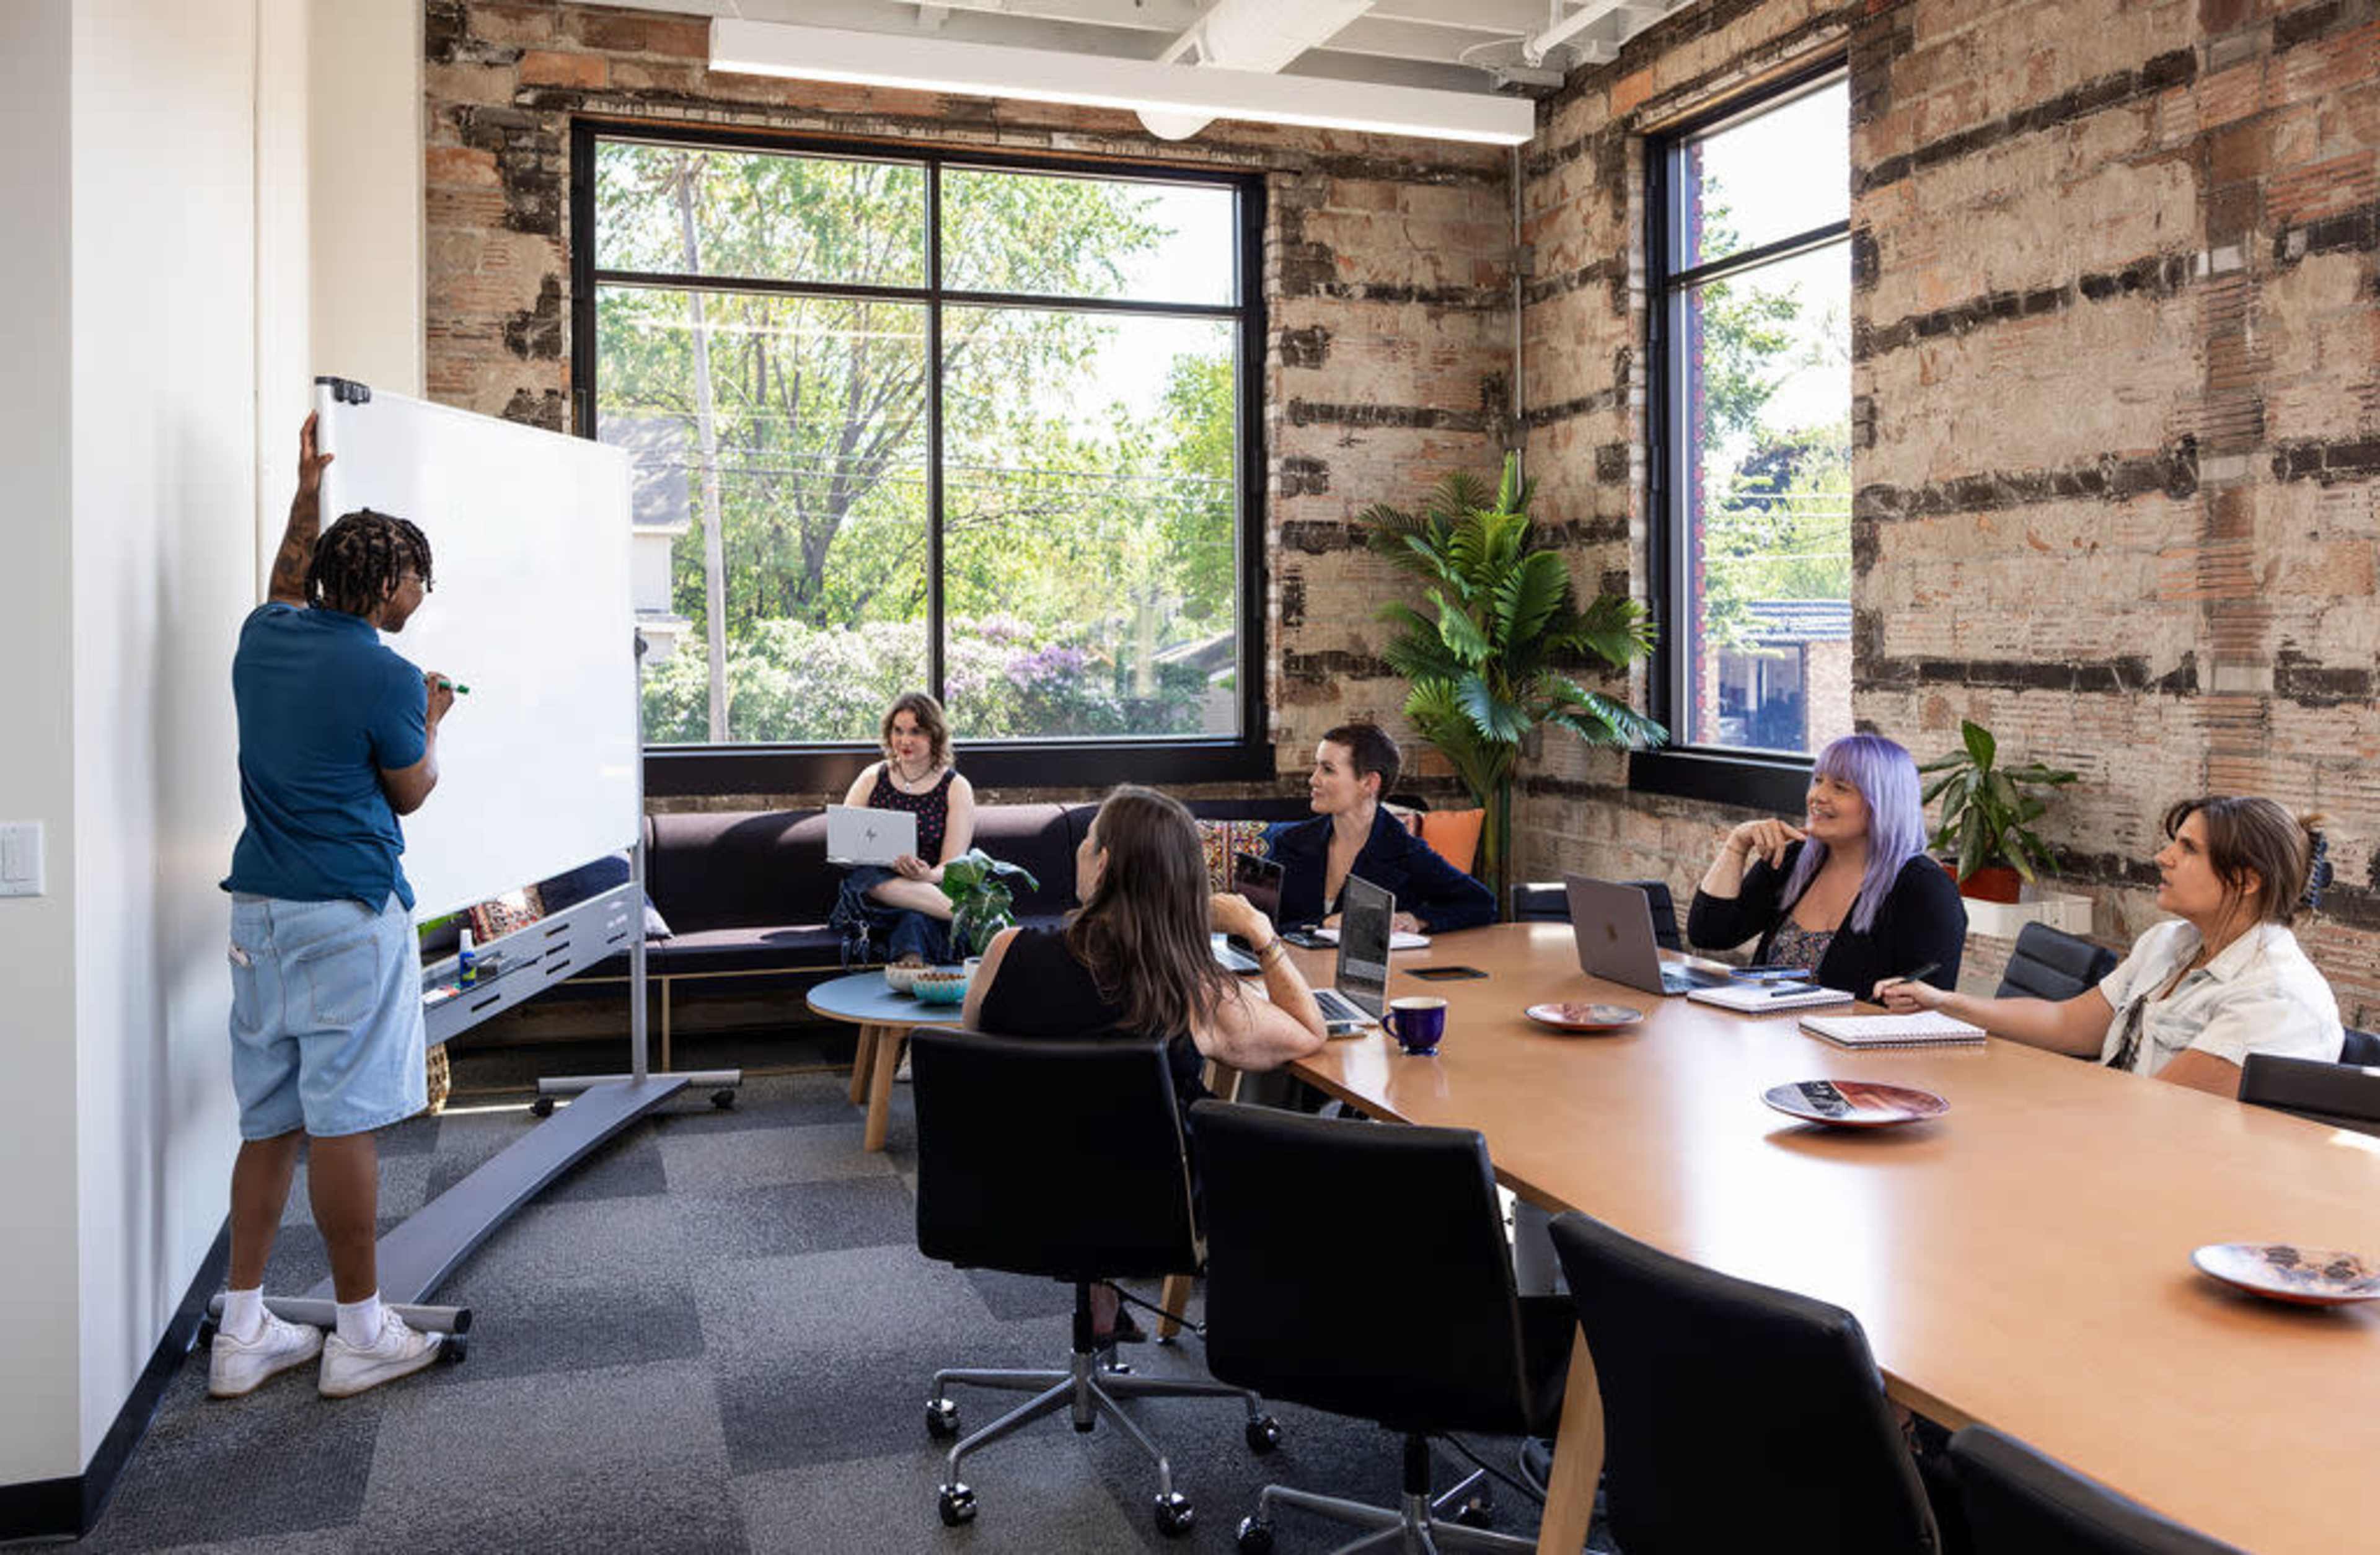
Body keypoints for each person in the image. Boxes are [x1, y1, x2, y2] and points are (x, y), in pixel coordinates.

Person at [210, 413, 456, 1400]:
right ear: (389, 587)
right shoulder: (389, 675)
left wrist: (307, 488)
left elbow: (283, 577)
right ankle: (359, 1332)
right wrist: (433, 722)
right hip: (345, 915)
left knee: (269, 1123)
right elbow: (410, 790)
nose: (421, 595)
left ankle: (243, 1332)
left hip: (256, 914)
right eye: (417, 581)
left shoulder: (264, 634)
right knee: (345, 1122)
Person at [965, 785, 1328, 1342]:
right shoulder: (1191, 990)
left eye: (1086, 844)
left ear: (1104, 863)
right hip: (1153, 1205)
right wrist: (1259, 932)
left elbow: (981, 1061)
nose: (1079, 854)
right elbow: (1309, 1031)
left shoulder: (1003, 951)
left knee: (1079, 1138)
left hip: (1007, 1187)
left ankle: (1100, 1287)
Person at [1881, 796, 2343, 1095]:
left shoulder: (2276, 997)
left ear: (2245, 880)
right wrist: (1945, 1003)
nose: (2164, 857)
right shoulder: (2168, 943)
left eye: (2188, 849)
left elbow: (2161, 1109)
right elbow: (2068, 1022)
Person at [1688, 731, 1965, 995]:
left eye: (1840, 787)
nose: (1818, 796)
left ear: (1883, 804)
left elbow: (1926, 1010)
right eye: (1818, 780)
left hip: (1849, 1043)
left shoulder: (1925, 888)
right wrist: (1736, 845)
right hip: (1766, 1037)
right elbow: (1709, 933)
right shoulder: (1794, 859)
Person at [1267, 723, 1496, 934]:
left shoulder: (1404, 850)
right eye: (1316, 767)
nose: (1313, 780)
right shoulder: (1290, 843)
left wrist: (1418, 920)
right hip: (1295, 973)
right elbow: (1257, 928)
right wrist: (1325, 924)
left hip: (1378, 977)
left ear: (1369, 783)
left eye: (1327, 769)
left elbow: (1481, 904)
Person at [831, 691, 978, 965]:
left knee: (914, 917)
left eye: (916, 732)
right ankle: (967, 916)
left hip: (931, 887)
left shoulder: (956, 787)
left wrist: (927, 876)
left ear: (934, 736)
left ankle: (910, 979)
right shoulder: (873, 777)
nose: (905, 740)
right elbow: (845, 841)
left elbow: (953, 865)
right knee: (869, 875)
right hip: (873, 891)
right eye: (898, 731)